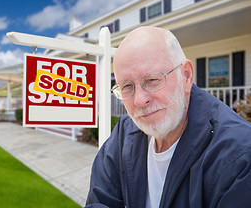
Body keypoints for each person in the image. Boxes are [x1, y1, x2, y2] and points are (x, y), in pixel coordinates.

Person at [85, 26, 251, 208]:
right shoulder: (124, 134)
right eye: (126, 86)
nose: (140, 100)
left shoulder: (240, 155)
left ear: (186, 76)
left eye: (152, 80)